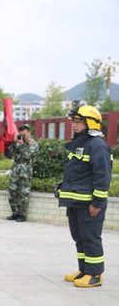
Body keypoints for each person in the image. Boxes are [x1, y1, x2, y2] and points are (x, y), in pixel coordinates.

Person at [59, 106, 112, 288]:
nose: (73, 125)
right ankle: (84, 269)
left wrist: (97, 202)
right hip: (76, 202)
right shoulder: (80, 144)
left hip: (89, 204)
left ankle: (95, 274)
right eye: (72, 121)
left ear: (90, 123)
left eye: (77, 121)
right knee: (79, 238)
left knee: (90, 238)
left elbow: (102, 176)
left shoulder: (97, 146)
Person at [7, 125, 39, 222]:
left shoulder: (33, 144)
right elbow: (11, 154)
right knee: (12, 193)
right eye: (20, 135)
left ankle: (22, 215)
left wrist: (21, 144)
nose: (22, 137)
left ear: (29, 133)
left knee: (23, 194)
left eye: (24, 135)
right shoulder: (18, 143)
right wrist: (13, 143)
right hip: (15, 171)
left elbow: (27, 155)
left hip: (25, 173)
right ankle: (15, 213)